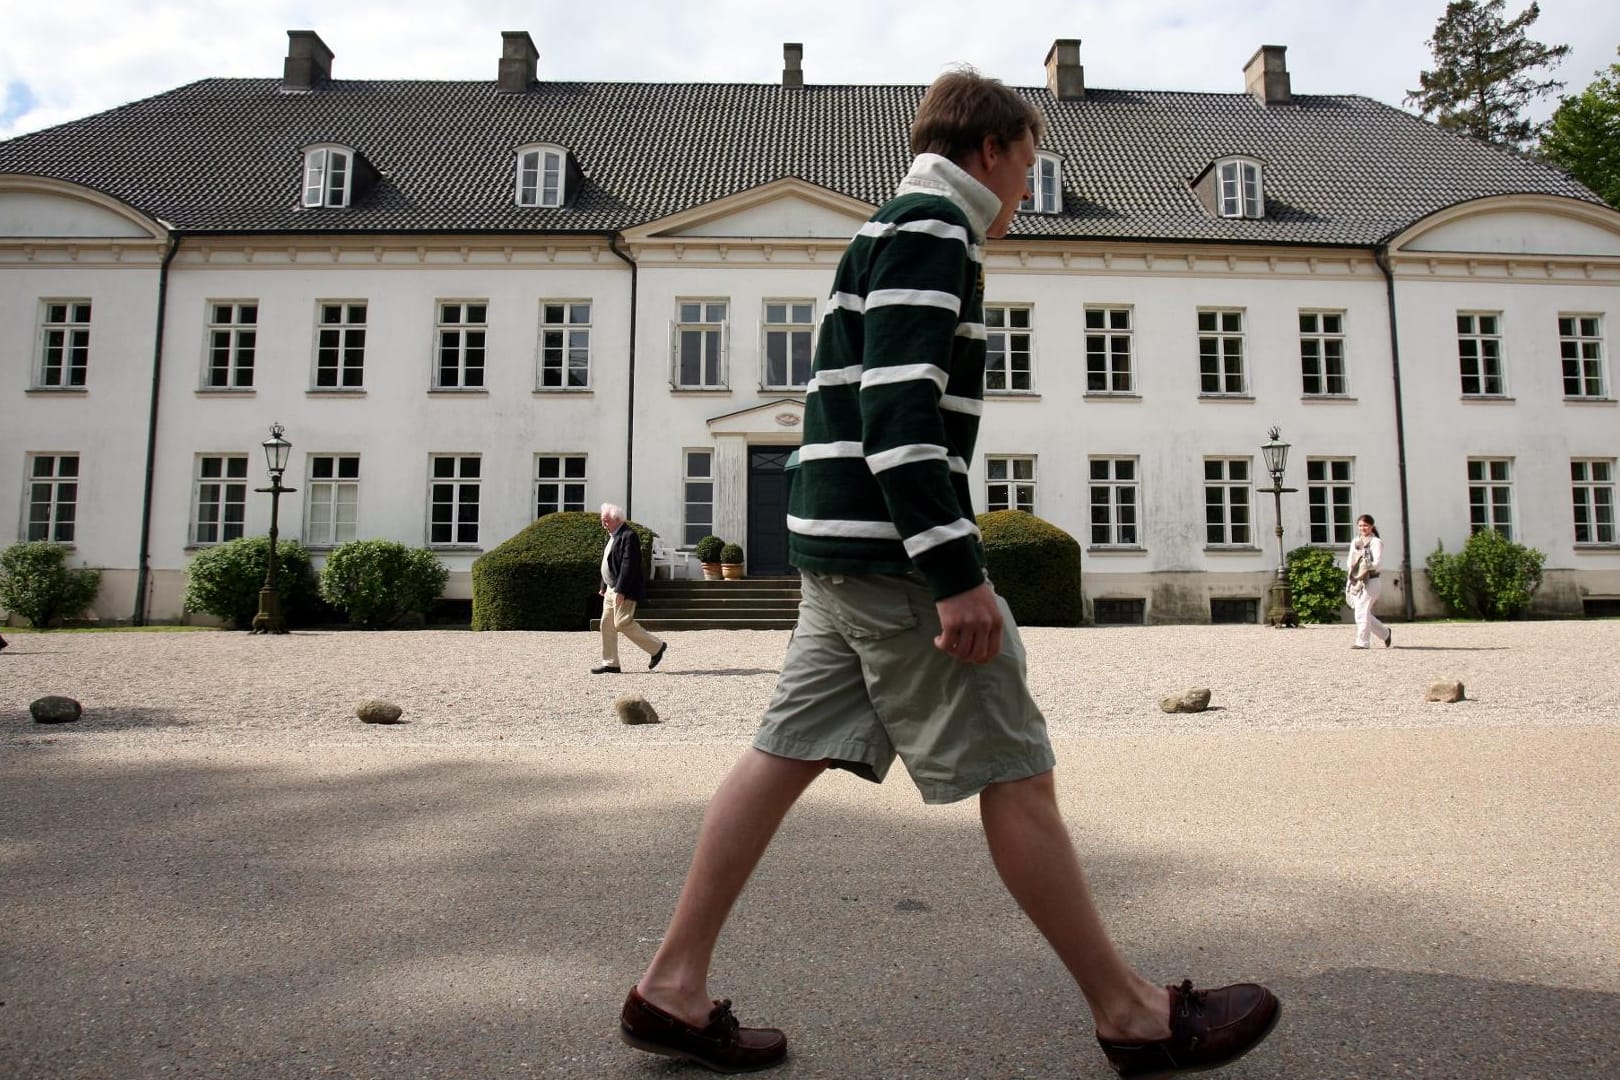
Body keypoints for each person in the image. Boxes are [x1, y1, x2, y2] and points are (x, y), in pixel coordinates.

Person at [615, 69, 1280, 1076]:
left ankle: (670, 985)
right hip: (893, 564)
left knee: (780, 756)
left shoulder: (888, 225)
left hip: (838, 554)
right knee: (1017, 769)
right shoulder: (933, 230)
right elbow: (898, 417)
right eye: (1030, 161)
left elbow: (860, 405)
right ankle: (1132, 1014)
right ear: (992, 148)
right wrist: (957, 572)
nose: (1030, 184)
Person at [594, 503, 667, 674]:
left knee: (621, 622)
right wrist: (604, 585)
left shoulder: (629, 536)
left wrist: (621, 590)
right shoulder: (612, 535)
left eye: (606, 521)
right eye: (602, 521)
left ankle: (657, 647)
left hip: (623, 589)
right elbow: (608, 562)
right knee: (606, 624)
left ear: (617, 520)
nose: (603, 524)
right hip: (612, 588)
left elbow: (629, 566)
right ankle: (611, 663)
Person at [1346, 513, 1392, 649]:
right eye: (1360, 525)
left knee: (1361, 610)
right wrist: (1352, 578)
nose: (1363, 528)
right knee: (1362, 611)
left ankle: (1362, 642)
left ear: (1371, 526)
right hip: (1357, 580)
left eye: (1365, 525)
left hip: (1371, 580)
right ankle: (1385, 633)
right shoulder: (1355, 541)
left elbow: (1377, 563)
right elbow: (1350, 561)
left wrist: (1366, 565)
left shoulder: (1376, 542)